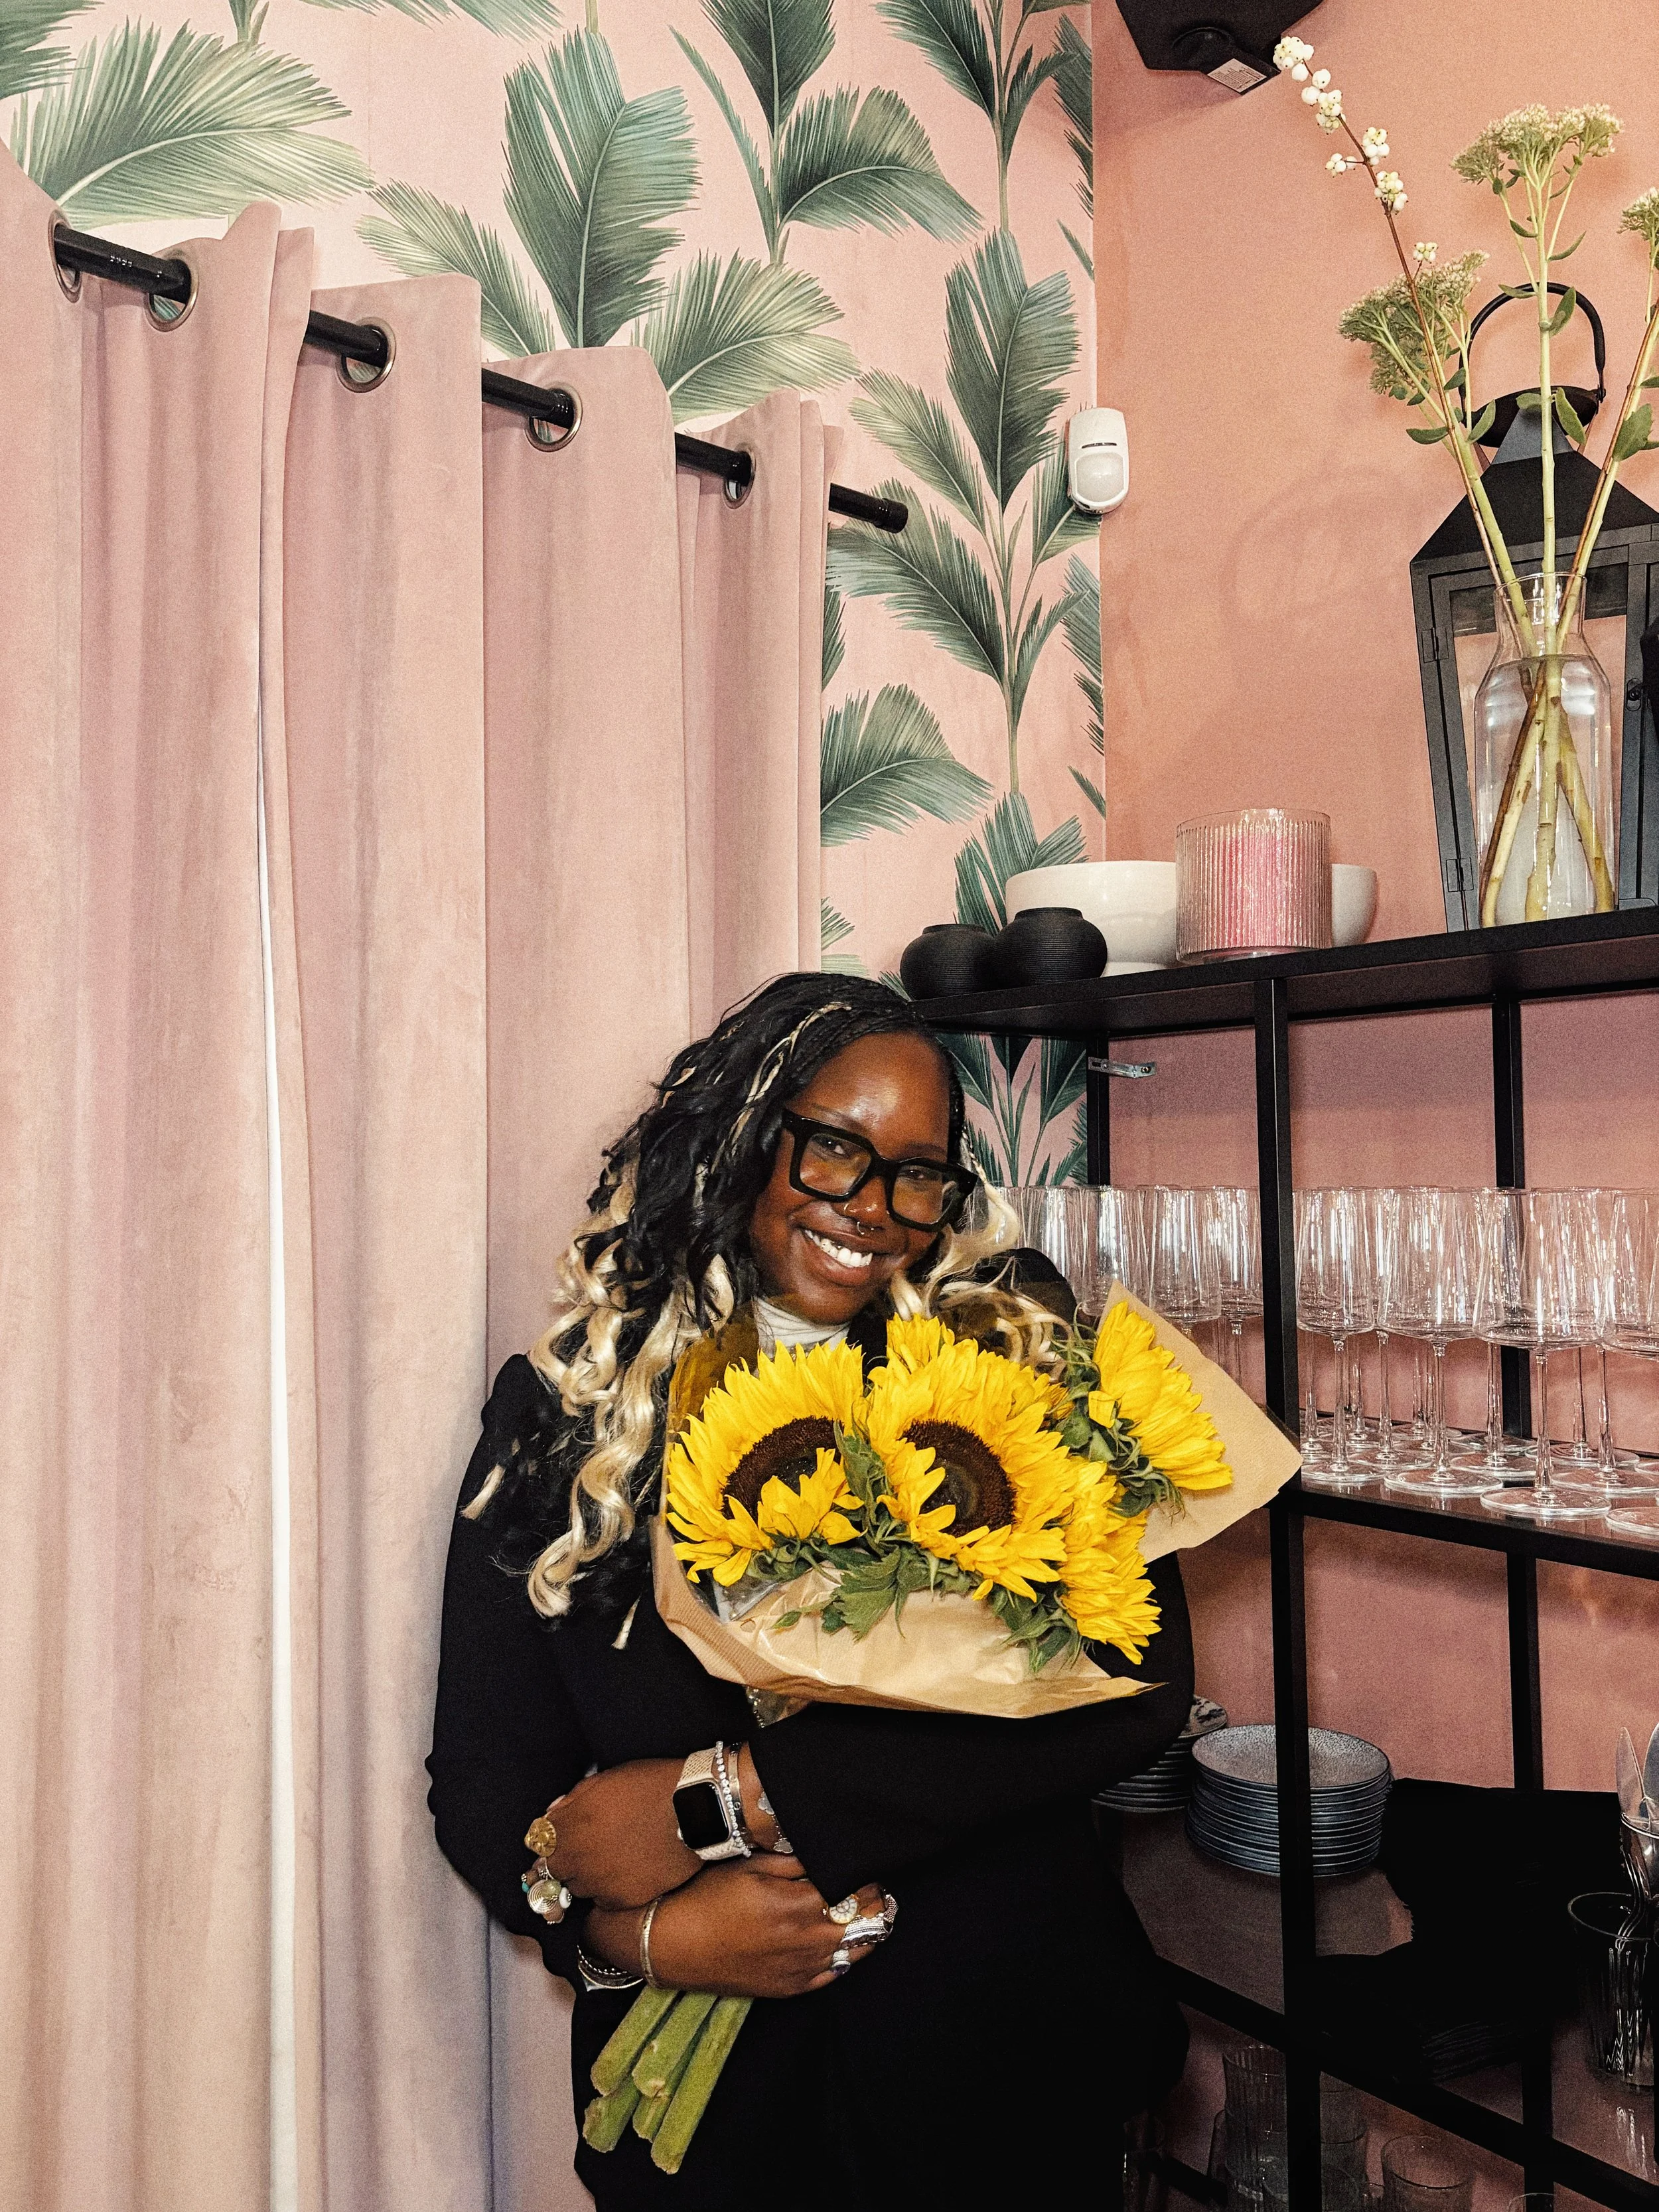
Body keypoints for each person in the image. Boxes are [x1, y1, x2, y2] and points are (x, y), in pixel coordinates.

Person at [429, 974, 1192, 2210]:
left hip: (1004, 2080)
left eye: (918, 1170)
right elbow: (484, 1782)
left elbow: (1136, 1682)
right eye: (834, 1148)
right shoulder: (565, 1416)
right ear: (743, 1135)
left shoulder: (1006, 1356)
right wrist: (640, 1939)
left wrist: (723, 1801)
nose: (876, 1209)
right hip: (718, 2140)